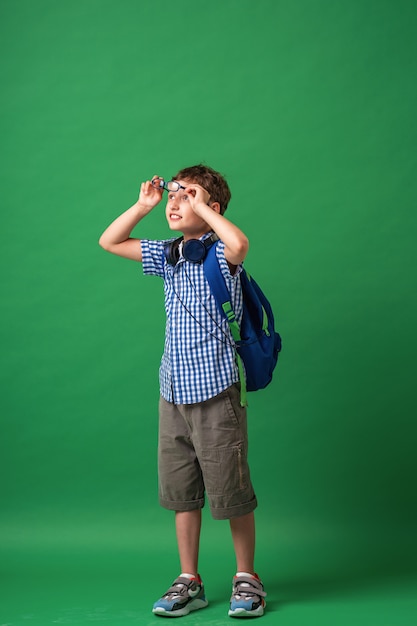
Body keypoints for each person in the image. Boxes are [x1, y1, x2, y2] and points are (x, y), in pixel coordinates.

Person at [99, 164, 266, 618]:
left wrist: (203, 210)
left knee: (231, 492)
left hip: (216, 393)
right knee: (182, 493)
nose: (176, 203)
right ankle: (189, 579)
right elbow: (110, 242)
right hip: (172, 392)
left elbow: (239, 244)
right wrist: (143, 205)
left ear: (211, 208)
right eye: (174, 196)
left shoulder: (218, 256)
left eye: (188, 196)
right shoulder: (170, 254)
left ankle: (246, 576)